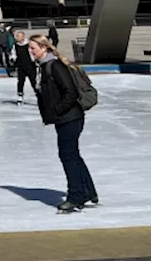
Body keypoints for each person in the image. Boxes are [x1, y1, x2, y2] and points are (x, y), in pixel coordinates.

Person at [28, 34, 96, 213]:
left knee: (68, 156)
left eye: (33, 48)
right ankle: (88, 191)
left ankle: (75, 196)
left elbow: (70, 93)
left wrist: (56, 110)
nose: (30, 51)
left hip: (70, 117)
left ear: (43, 48)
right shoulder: (44, 67)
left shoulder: (54, 66)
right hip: (66, 118)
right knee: (73, 155)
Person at [13, 30, 37, 103]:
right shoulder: (15, 45)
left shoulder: (29, 44)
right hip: (21, 66)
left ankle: (39, 95)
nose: (17, 38)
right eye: (17, 36)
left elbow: (33, 54)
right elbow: (13, 53)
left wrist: (35, 60)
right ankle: (20, 96)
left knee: (33, 81)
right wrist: (13, 59)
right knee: (20, 81)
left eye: (19, 36)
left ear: (23, 37)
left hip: (30, 65)